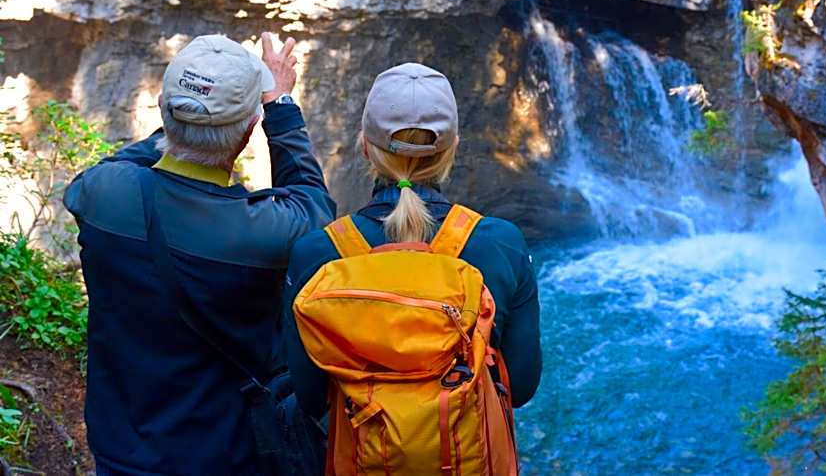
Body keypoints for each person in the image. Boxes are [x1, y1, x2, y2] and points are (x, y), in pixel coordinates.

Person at [64, 33, 335, 475]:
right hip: (223, 457)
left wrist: (184, 120)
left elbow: (115, 166)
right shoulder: (262, 233)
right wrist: (281, 106)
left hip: (119, 452)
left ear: (162, 109)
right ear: (248, 132)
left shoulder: (102, 196)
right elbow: (314, 205)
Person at [283, 63, 542, 472]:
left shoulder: (318, 253)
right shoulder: (501, 242)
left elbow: (311, 397)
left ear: (364, 146)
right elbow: (521, 386)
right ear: (453, 148)